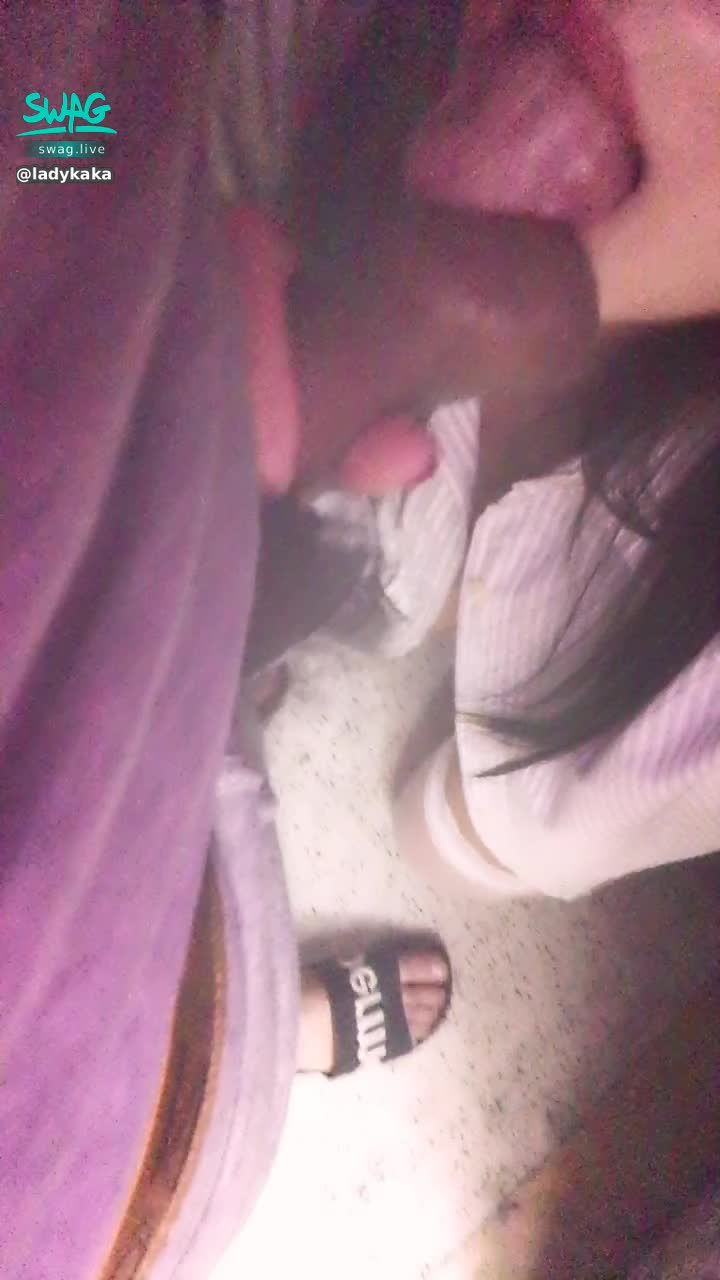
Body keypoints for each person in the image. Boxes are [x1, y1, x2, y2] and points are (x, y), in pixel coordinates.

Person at [0, 4, 599, 1279]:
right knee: (233, 1018)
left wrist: (109, 202)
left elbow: (59, 103)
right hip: (150, 1126)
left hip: (121, 1124)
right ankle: (288, 1034)